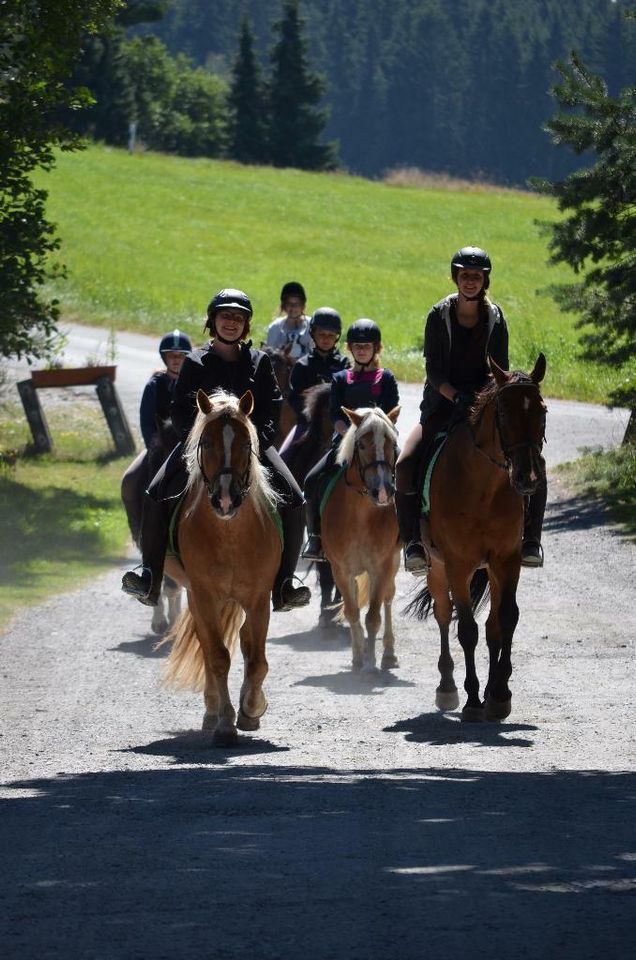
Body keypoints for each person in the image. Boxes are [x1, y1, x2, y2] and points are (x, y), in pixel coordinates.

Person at [121, 288, 312, 613]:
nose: (231, 323)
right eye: (225, 316)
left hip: (250, 449)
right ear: (213, 321)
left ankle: (284, 584)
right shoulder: (195, 361)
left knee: (295, 498)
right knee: (154, 493)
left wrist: (257, 442)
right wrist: (197, 442)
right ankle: (151, 578)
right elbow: (180, 409)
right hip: (203, 450)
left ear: (246, 326)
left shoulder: (259, 361)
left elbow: (272, 407)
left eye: (239, 318)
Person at [395, 246, 547, 575]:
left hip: (484, 408)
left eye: (476, 276)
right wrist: (455, 396)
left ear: (484, 281)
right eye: (465, 275)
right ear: (456, 277)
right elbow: (434, 371)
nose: (470, 282)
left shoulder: (496, 317)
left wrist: (480, 400)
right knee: (406, 462)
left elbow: (500, 371)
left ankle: (532, 540)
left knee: (533, 459)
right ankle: (413, 544)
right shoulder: (438, 315)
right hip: (441, 405)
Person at [301, 318, 400, 561]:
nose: (362, 350)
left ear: (376, 348)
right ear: (349, 348)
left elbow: (392, 411)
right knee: (312, 480)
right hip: (347, 442)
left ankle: (411, 539)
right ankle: (315, 537)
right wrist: (350, 435)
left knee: (409, 476)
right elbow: (335, 413)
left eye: (366, 346)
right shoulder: (341, 379)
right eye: (357, 346)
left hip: (382, 442)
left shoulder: (385, 378)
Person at [120, 329, 192, 545]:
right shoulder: (154, 385)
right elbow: (146, 420)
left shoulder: (194, 383)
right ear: (164, 357)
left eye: (180, 356)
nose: (176, 360)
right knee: (130, 480)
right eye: (172, 355)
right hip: (159, 448)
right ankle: (139, 536)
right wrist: (154, 448)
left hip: (191, 447)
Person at [279, 306, 350, 458]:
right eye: (322, 334)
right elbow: (294, 398)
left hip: (338, 425)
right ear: (313, 334)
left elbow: (348, 396)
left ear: (337, 337)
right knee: (283, 457)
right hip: (307, 425)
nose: (326, 339)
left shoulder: (344, 365)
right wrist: (311, 416)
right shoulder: (302, 365)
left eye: (331, 335)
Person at [265, 281, 312, 359]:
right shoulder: (275, 328)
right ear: (284, 306)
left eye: (296, 304)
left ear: (302, 306)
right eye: (289, 304)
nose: (293, 308)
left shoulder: (311, 326)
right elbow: (270, 355)